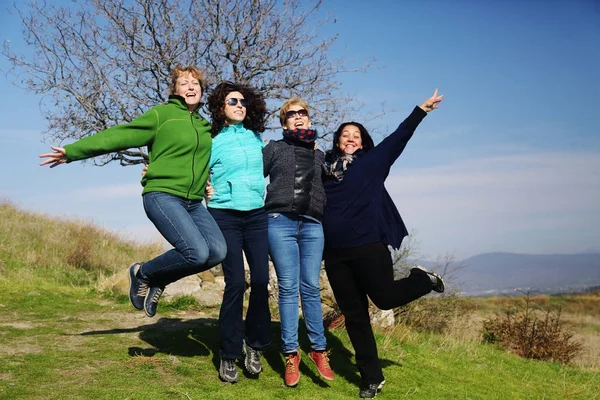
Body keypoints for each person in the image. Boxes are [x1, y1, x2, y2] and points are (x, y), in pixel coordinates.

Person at [39, 66, 227, 319]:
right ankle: (143, 273)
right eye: (184, 83)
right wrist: (74, 151)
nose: (191, 87)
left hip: (193, 202)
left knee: (217, 251)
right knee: (196, 253)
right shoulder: (162, 115)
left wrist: (208, 182)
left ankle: (160, 280)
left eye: (196, 83)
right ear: (174, 90)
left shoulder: (205, 127)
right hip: (163, 195)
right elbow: (121, 135)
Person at [321, 89, 445, 399]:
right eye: (344, 135)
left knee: (386, 298)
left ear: (362, 142)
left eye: (356, 135)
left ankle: (423, 280)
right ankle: (371, 378)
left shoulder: (373, 163)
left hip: (368, 247)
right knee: (355, 317)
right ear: (337, 141)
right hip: (335, 254)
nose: (350, 138)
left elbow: (399, 137)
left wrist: (420, 111)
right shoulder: (323, 171)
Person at [263, 98, 334, 387]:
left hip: (313, 225)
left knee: (311, 287)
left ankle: (318, 350)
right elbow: (250, 174)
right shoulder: (274, 148)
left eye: (302, 113)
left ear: (309, 119)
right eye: (291, 115)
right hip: (280, 222)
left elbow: (342, 181)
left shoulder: (320, 156)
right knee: (289, 288)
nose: (298, 117)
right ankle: (291, 354)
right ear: (284, 123)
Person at [206, 81, 271, 384]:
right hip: (225, 215)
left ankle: (253, 345)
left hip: (256, 215)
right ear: (221, 107)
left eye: (244, 102)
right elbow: (191, 168)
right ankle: (228, 353)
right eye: (233, 101)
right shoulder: (212, 140)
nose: (240, 106)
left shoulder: (256, 138)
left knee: (260, 280)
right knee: (234, 283)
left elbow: (271, 169)